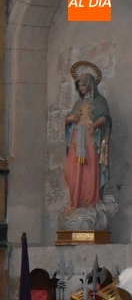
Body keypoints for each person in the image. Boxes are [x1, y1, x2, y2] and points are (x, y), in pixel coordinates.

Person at [64, 64, 110, 213]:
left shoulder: (100, 100)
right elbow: (67, 120)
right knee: (71, 171)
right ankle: (75, 200)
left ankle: (90, 202)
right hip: (77, 139)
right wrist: (70, 119)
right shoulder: (78, 103)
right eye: (79, 86)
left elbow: (106, 118)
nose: (81, 88)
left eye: (83, 85)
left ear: (90, 85)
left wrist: (94, 125)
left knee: (89, 170)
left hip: (91, 139)